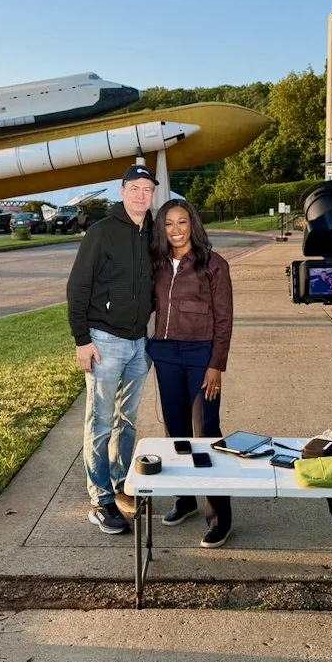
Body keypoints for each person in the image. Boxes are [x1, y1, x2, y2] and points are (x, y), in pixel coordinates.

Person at [66, 164, 158, 534]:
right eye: (134, 188)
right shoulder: (101, 232)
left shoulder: (152, 232)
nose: (141, 194)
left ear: (153, 194)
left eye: (147, 189)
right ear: (122, 191)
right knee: (101, 421)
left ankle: (122, 483)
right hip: (103, 340)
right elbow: (77, 288)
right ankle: (100, 498)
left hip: (139, 342)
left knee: (129, 420)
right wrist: (81, 340)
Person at [148, 198, 235, 547]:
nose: (176, 230)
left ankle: (219, 517)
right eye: (168, 224)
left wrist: (216, 365)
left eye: (181, 222)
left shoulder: (214, 265)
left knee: (206, 432)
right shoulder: (157, 264)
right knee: (176, 431)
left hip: (201, 357)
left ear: (193, 225)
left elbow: (224, 320)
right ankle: (184, 500)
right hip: (166, 355)